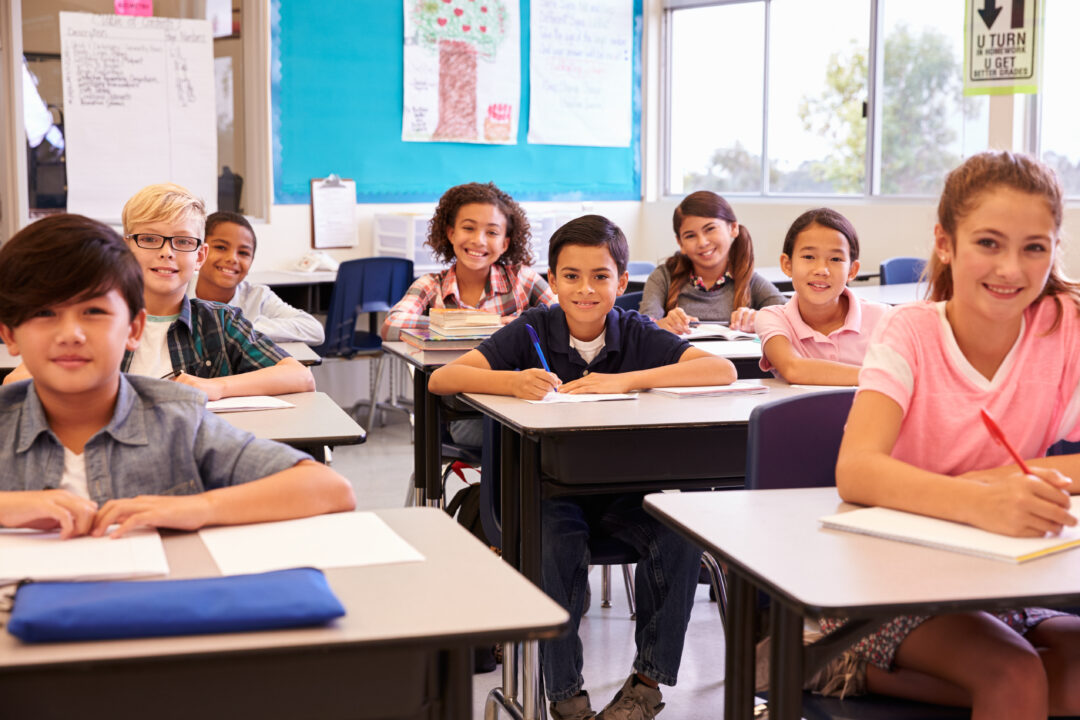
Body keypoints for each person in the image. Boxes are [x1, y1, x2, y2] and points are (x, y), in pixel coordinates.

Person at [429, 215, 734, 720]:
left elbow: (718, 370)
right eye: (571, 276)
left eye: (600, 276)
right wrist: (512, 382)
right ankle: (566, 696)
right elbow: (444, 378)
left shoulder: (634, 330)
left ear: (623, 282)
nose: (586, 290)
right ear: (552, 280)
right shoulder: (534, 326)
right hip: (549, 494)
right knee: (554, 542)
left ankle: (646, 685)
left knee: (680, 536)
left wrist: (623, 381)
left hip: (626, 500)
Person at [833, 151, 1080, 717]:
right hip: (892, 582)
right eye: (989, 243)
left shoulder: (1064, 327)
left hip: (1010, 583)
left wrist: (998, 482)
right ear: (946, 242)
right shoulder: (910, 332)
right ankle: (845, 663)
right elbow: (857, 470)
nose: (1012, 270)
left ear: (1055, 250)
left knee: (1066, 681)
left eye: (1034, 247)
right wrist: (980, 502)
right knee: (1015, 677)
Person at [0, 214, 355, 539]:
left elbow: (330, 488)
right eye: (45, 313)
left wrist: (199, 507)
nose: (71, 334)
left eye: (94, 311)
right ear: (10, 334)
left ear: (133, 329)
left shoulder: (176, 421)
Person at [380, 181, 555, 341]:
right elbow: (391, 325)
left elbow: (566, 318)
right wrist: (484, 325)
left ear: (505, 243)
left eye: (492, 232)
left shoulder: (523, 280)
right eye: (468, 228)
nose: (478, 240)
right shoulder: (431, 286)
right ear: (451, 234)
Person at [755, 208, 890, 386]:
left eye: (835, 259)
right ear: (787, 265)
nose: (821, 270)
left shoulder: (884, 318)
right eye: (809, 256)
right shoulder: (773, 318)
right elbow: (793, 369)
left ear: (852, 270)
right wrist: (879, 376)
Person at [640, 190, 784, 335]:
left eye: (710, 229)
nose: (702, 242)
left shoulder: (749, 280)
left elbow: (792, 316)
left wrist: (761, 319)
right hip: (682, 357)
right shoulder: (663, 277)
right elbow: (643, 326)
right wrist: (661, 324)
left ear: (733, 228)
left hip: (736, 357)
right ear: (680, 243)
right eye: (690, 236)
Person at [194, 211, 325, 345]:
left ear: (251, 261)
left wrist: (241, 329)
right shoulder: (177, 290)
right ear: (200, 252)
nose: (232, 258)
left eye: (243, 253)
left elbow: (315, 330)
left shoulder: (258, 296)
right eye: (221, 247)